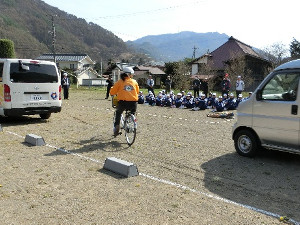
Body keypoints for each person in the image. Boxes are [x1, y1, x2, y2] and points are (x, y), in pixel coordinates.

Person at [110, 67, 139, 136]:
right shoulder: (134, 82)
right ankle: (129, 121)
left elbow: (112, 91)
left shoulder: (120, 82)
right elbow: (137, 91)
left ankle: (117, 126)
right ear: (129, 75)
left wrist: (112, 93)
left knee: (118, 112)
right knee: (132, 112)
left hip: (123, 102)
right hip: (133, 102)